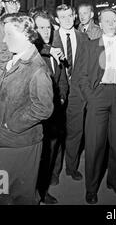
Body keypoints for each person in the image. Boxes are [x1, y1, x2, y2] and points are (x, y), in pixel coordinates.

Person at [79, 8, 116, 204]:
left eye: (115, 21)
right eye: (108, 21)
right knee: (95, 145)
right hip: (98, 95)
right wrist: (90, 97)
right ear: (100, 24)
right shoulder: (89, 46)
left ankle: (114, 180)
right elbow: (81, 76)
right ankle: (91, 188)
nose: (112, 24)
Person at [0, 13, 53, 205]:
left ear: (25, 35)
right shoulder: (15, 59)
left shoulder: (37, 69)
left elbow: (44, 108)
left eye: (8, 34)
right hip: (7, 140)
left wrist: (11, 123)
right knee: (4, 193)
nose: (5, 39)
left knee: (20, 196)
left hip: (20, 144)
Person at [42, 4, 89, 182]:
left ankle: (72, 167)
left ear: (75, 16)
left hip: (77, 93)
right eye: (63, 17)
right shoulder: (50, 37)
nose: (67, 20)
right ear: (57, 19)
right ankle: (54, 173)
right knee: (55, 134)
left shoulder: (83, 37)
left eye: (70, 16)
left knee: (75, 132)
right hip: (56, 92)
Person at [34, 12, 69, 204]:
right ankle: (38, 191)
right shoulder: (35, 52)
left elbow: (62, 77)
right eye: (41, 28)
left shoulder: (55, 49)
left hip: (56, 110)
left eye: (48, 27)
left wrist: (62, 97)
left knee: (52, 149)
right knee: (40, 155)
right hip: (39, 115)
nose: (46, 31)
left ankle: (44, 187)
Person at [0, 0, 21, 71]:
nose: (15, 5)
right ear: (3, 4)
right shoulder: (1, 25)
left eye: (17, 2)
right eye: (11, 2)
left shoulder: (22, 23)